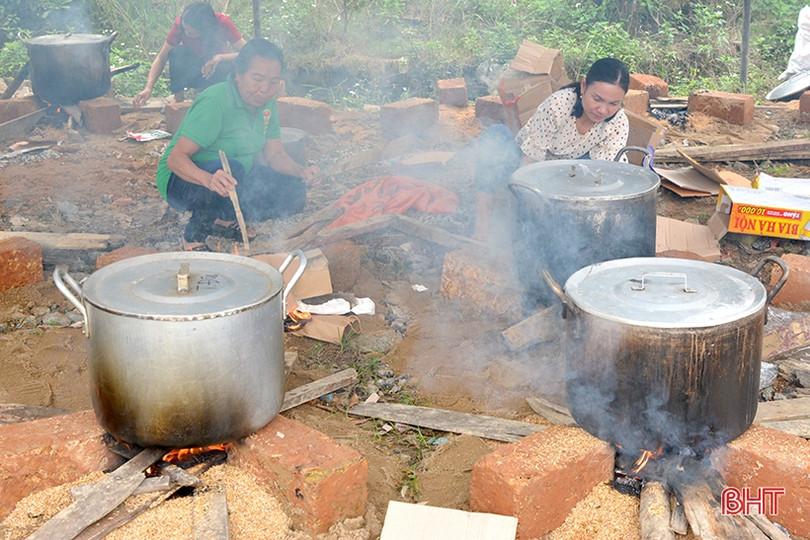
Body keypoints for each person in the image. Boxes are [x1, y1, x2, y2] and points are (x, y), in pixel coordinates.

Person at [155, 39, 321, 251]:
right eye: (257, 79)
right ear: (239, 74)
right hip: (182, 181)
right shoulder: (215, 102)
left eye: (273, 81)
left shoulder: (267, 105)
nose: (265, 89)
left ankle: (222, 218)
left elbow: (275, 154)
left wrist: (302, 171)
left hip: (230, 178)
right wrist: (208, 179)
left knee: (293, 192)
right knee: (232, 169)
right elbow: (175, 159)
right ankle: (193, 238)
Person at [473, 57, 630, 241]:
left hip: (569, 178)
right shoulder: (560, 104)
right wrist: (527, 209)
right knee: (496, 136)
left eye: (614, 103)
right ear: (584, 86)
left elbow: (604, 177)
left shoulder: (618, 123)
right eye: (597, 99)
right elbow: (528, 160)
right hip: (528, 165)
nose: (603, 110)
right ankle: (481, 227)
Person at [133, 2, 247, 108]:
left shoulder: (223, 23)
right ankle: (178, 101)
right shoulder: (180, 26)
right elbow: (161, 58)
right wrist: (148, 87)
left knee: (224, 65)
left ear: (205, 30)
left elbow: (249, 52)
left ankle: (218, 100)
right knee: (176, 53)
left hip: (216, 73)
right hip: (193, 71)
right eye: (185, 29)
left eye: (191, 32)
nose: (186, 33)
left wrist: (220, 57)